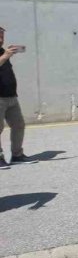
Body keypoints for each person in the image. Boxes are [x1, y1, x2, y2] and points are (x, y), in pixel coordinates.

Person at [0, 26, 28, 167]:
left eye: (2, 36)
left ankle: (17, 155)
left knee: (18, 125)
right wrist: (5, 57)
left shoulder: (3, 51)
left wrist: (5, 54)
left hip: (11, 96)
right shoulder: (3, 55)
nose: (1, 39)